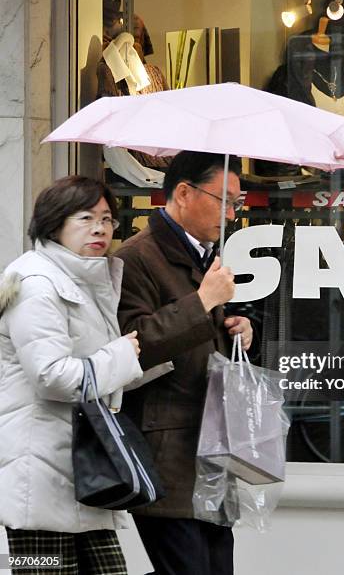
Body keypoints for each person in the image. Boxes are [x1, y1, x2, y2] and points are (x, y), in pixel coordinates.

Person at [115, 151, 253, 575]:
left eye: (238, 202)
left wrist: (240, 332)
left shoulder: (207, 255)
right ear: (183, 193)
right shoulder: (135, 257)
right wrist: (204, 301)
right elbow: (133, 347)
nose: (232, 211)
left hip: (212, 449)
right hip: (166, 453)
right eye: (224, 200)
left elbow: (201, 342)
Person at [0, 176, 144, 574]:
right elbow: (52, 376)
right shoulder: (35, 283)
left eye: (107, 218)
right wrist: (120, 355)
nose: (100, 228)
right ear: (54, 223)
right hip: (39, 483)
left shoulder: (83, 279)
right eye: (85, 217)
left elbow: (100, 367)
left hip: (83, 475)